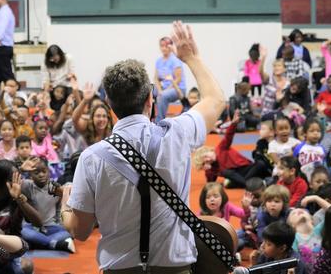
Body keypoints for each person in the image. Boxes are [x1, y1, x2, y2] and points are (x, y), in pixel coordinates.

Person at [62, 21, 225, 273]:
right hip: (175, 267)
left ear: (108, 102)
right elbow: (216, 99)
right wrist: (190, 57)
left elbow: (80, 231)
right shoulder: (178, 133)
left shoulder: (91, 157)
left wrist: (65, 202)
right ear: (151, 98)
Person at [153, 36, 187, 122]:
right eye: (162, 46)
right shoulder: (158, 61)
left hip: (177, 88)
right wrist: (160, 90)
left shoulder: (175, 60)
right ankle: (149, 117)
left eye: (166, 46)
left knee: (163, 96)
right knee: (148, 92)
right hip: (164, 88)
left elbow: (178, 79)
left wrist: (164, 91)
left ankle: (159, 121)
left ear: (170, 47)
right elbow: (156, 78)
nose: (164, 48)